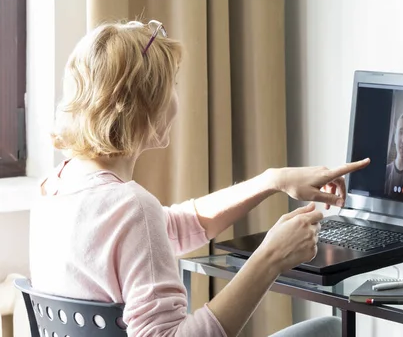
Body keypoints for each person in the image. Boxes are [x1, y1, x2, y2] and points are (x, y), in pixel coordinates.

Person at [29, 20, 370, 337]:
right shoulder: (131, 207)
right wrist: (270, 258)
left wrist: (273, 180)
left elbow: (173, 228)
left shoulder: (53, 189)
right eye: (171, 86)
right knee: (328, 329)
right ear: (143, 105)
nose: (176, 99)